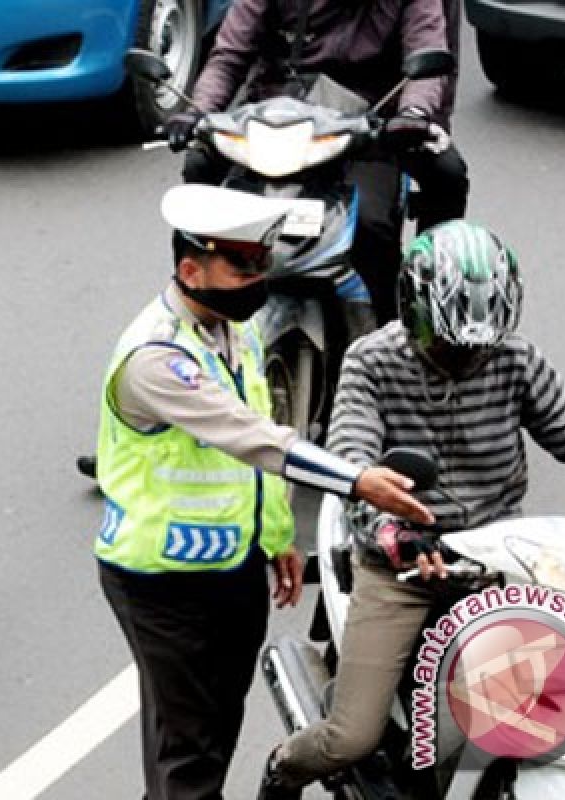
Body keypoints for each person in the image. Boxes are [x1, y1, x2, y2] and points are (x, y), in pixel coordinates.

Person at [257, 220, 565, 799]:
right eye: (451, 347)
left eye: (481, 347)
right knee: (352, 737)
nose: (468, 360)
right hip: (405, 569)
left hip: (505, 563)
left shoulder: (515, 359)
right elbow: (355, 466)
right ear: (413, 314)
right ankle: (282, 772)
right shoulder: (371, 362)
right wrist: (392, 533)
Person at [94, 183, 435, 800]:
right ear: (190, 268)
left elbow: (255, 452)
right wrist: (358, 480)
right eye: (242, 265)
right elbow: (254, 437)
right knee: (189, 751)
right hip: (161, 582)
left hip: (232, 569)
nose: (259, 277)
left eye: (261, 262)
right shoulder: (156, 359)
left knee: (211, 732)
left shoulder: (235, 329)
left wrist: (278, 537)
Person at [163, 0, 470, 323]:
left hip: (371, 124)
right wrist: (197, 112)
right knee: (199, 163)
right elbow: (229, 56)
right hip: (277, 118)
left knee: (400, 205)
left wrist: (413, 114)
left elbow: (426, 52)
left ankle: (414, 318)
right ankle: (192, 304)